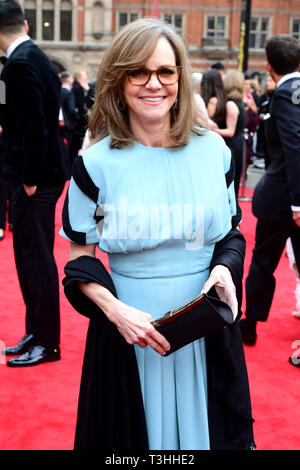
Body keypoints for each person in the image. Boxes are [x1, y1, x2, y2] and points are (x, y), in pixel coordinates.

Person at [60, 18, 254, 450]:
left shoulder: (214, 153)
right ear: (118, 79)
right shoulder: (94, 164)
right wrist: (115, 311)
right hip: (128, 335)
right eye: (138, 71)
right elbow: (79, 259)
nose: (154, 84)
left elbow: (230, 236)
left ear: (181, 78)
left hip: (206, 330)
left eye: (166, 71)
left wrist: (224, 270)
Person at [0, 1, 68, 366]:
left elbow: (33, 129)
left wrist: (28, 180)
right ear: (24, 23)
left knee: (36, 261)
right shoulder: (34, 55)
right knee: (31, 260)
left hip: (34, 181)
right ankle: (36, 334)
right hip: (42, 177)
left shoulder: (20, 64)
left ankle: (47, 342)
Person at [239, 34, 300, 347]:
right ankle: (249, 323)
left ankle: (249, 324)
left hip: (283, 200)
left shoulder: (286, 92)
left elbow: (294, 146)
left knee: (263, 263)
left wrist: (298, 203)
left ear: (269, 66)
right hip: (286, 198)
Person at [212, 70, 247, 197]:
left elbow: (230, 132)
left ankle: (232, 213)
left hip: (232, 145)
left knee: (231, 182)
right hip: (236, 144)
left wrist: (212, 129)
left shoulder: (231, 104)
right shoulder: (238, 103)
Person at [60, 70, 79, 169]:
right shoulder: (69, 94)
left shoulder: (57, 91)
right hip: (69, 126)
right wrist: (78, 119)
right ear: (68, 80)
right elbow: (72, 110)